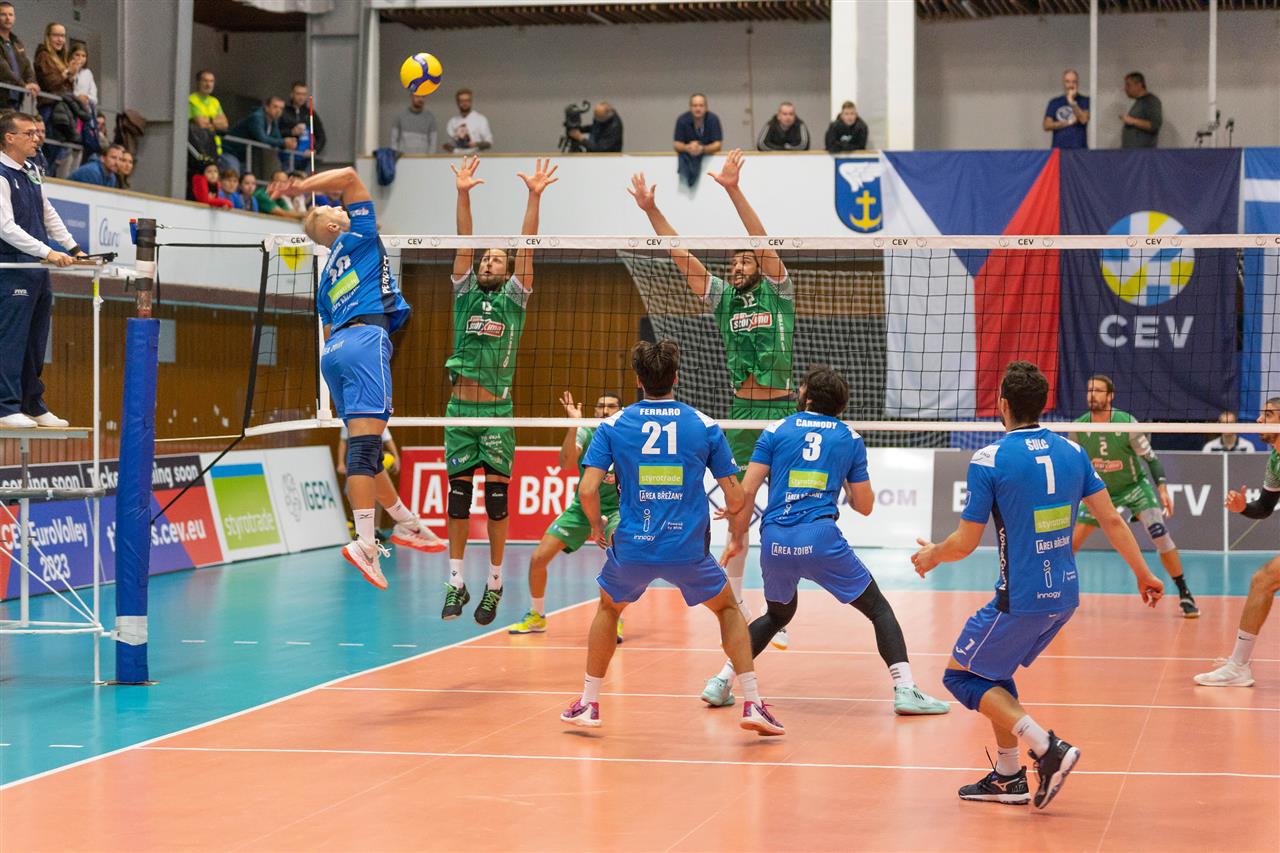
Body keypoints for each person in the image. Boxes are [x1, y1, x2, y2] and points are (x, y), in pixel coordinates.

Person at [913, 361, 1163, 810]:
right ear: (1043, 404)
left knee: (961, 675)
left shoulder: (989, 459)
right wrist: (1143, 573)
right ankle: (1009, 778)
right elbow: (1111, 519)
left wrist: (933, 554)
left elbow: (964, 544)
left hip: (1021, 598)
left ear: (1002, 405)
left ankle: (1048, 748)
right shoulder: (1073, 451)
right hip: (1064, 595)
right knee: (994, 673)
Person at [560, 340, 785, 736]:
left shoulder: (612, 425)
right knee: (728, 609)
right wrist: (732, 509)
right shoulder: (703, 425)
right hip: (688, 549)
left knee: (609, 609)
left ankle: (589, 703)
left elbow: (587, 490)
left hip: (633, 545)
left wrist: (596, 526)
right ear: (676, 377)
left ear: (638, 380)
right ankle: (752, 702)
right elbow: (736, 497)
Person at [702, 366, 950, 716]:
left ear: (807, 397)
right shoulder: (849, 438)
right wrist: (843, 477)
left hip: (775, 540)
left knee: (777, 614)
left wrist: (737, 537)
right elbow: (864, 506)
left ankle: (721, 681)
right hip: (820, 539)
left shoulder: (776, 429)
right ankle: (906, 689)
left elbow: (747, 490)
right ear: (840, 405)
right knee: (878, 609)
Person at [628, 148, 796, 648]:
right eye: (735, 260)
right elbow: (680, 256)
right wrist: (651, 211)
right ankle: (740, 605)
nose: (739, 264)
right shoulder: (723, 298)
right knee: (738, 514)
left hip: (782, 413)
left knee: (783, 517)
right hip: (743, 413)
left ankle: (779, 608)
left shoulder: (778, 291)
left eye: (746, 259)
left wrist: (733, 190)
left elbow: (761, 240)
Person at [271, 166, 441, 587]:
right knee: (364, 454)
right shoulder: (360, 235)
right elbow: (348, 176)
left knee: (367, 452)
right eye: (334, 209)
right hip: (366, 341)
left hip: (334, 355)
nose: (340, 207)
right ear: (333, 227)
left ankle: (405, 522)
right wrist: (301, 186)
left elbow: (328, 335)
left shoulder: (325, 280)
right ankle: (365, 543)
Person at [443, 155, 557, 624]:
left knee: (495, 501)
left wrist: (534, 196)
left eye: (497, 258)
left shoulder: (514, 297)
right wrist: (462, 193)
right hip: (458, 411)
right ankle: (455, 582)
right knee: (457, 499)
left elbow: (526, 248)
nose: (489, 261)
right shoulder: (464, 292)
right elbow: (463, 241)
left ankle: (494, 582)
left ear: (509, 271)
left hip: (496, 413)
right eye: (485, 258)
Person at [1071, 375, 1198, 617]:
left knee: (1160, 534)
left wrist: (1162, 489)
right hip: (1099, 491)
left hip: (1134, 488)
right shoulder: (1078, 428)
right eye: (1089, 390)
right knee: (1072, 543)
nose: (1092, 394)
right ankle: (1057, 591)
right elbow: (1075, 467)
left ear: (1110, 396)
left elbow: (1151, 459)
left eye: (1098, 390)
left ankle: (1185, 593)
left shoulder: (1127, 423)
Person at [508, 391, 624, 638]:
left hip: (617, 509)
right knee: (538, 558)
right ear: (594, 411)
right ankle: (537, 616)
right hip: (583, 507)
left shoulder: (627, 436)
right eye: (600, 406)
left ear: (620, 411)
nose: (605, 410)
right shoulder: (586, 432)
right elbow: (566, 463)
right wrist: (573, 426)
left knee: (619, 553)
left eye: (611, 406)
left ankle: (613, 616)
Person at [0, 111, 84, 429]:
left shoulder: (32, 169)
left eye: (37, 132)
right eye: (29, 133)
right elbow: (5, 227)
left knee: (36, 341)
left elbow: (47, 212)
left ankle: (31, 403)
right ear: (9, 138)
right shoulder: (1, 174)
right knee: (11, 339)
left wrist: (73, 247)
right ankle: (5, 406)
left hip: (36, 269)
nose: (37, 139)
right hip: (12, 266)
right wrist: (47, 251)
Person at [1194, 398, 1280, 687]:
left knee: (1263, 580)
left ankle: (1238, 666)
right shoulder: (1276, 460)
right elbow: (1265, 507)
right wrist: (1243, 507)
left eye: (1268, 414)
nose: (1258, 420)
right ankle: (1238, 666)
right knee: (1262, 581)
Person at [338, 422, 445, 548]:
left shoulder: (378, 419)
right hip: (357, 461)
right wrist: (340, 462)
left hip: (371, 456)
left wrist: (396, 457)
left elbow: (388, 439)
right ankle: (365, 533)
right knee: (356, 494)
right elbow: (343, 441)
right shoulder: (349, 421)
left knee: (375, 493)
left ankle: (376, 530)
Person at [225, 96, 294, 176]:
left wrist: (288, 143)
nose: (278, 111)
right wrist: (284, 142)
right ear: (266, 107)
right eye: (275, 107)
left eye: (281, 108)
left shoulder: (273, 122)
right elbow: (262, 138)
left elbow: (277, 138)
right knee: (234, 175)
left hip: (245, 155)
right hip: (231, 151)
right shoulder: (257, 117)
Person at [673, 93, 722, 188]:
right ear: (690, 108)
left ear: (706, 107)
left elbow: (718, 144)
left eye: (701, 105)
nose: (698, 109)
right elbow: (676, 144)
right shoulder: (682, 120)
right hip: (687, 158)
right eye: (695, 105)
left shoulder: (713, 119)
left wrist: (702, 149)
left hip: (711, 163)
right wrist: (688, 148)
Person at [0, 2, 38, 109]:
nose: (8, 18)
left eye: (10, 14)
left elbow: (27, 66)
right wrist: (23, 85)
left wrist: (32, 83)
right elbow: (3, 69)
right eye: (3, 14)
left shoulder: (17, 42)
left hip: (16, 98)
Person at [1043, 69, 1089, 149]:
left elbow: (1084, 119)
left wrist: (1072, 102)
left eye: (1074, 82)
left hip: (1079, 150)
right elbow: (1046, 125)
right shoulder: (1055, 102)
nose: (1071, 85)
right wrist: (1069, 122)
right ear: (1063, 83)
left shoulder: (1085, 101)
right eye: (1067, 82)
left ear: (1078, 83)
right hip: (1059, 149)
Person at [187, 70, 228, 160]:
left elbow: (225, 124)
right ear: (198, 82)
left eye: (211, 81)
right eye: (205, 81)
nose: (208, 84)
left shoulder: (215, 101)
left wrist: (209, 120)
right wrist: (215, 121)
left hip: (216, 149)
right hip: (200, 149)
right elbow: (201, 124)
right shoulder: (192, 100)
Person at [281, 81, 325, 158]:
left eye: (304, 94)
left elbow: (321, 136)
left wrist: (314, 150)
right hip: (286, 154)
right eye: (298, 94)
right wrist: (291, 132)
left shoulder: (311, 113)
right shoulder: (283, 111)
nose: (301, 97)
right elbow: (276, 133)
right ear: (292, 94)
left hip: (305, 156)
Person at [32, 22, 77, 98]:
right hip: (50, 102)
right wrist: (67, 72)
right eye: (56, 35)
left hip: (62, 101)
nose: (60, 39)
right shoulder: (43, 56)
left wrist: (71, 75)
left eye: (62, 36)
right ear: (48, 37)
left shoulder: (62, 58)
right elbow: (50, 84)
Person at [443, 88, 492, 154]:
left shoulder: (481, 119)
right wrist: (455, 149)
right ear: (457, 102)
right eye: (461, 101)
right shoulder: (452, 122)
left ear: (471, 101)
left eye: (467, 100)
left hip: (476, 156)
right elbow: (447, 145)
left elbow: (488, 143)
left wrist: (475, 144)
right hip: (457, 157)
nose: (464, 103)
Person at [1120, 72, 1161, 149]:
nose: (1125, 89)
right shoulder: (1139, 102)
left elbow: (1154, 125)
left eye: (1128, 85)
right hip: (1133, 153)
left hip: (1142, 154)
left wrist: (1132, 121)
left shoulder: (1151, 101)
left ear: (1139, 85)